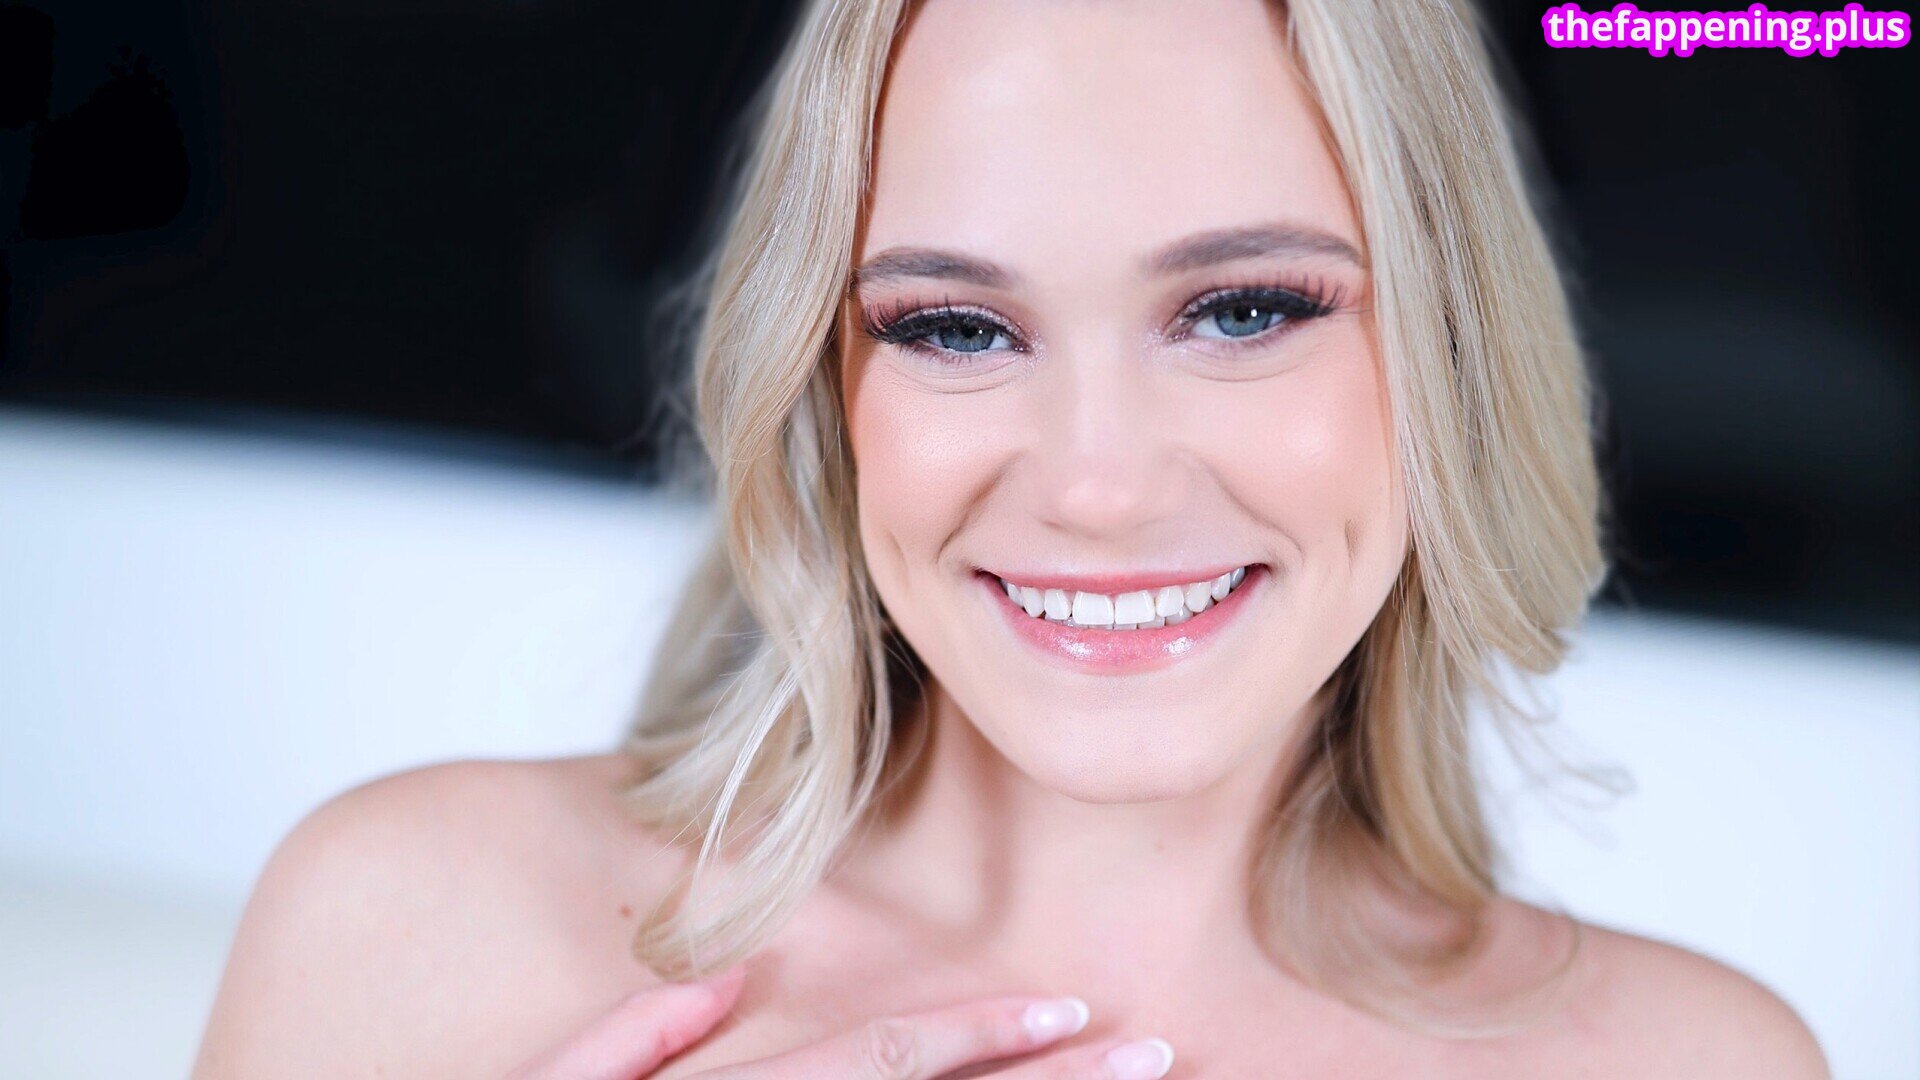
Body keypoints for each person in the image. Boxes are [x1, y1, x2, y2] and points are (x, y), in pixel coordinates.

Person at [191, 0, 1832, 1076]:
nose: (1097, 487)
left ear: (1449, 352)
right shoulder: (411, 929)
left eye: (1243, 309)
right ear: (827, 390)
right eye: (956, 328)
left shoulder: (1692, 1062)